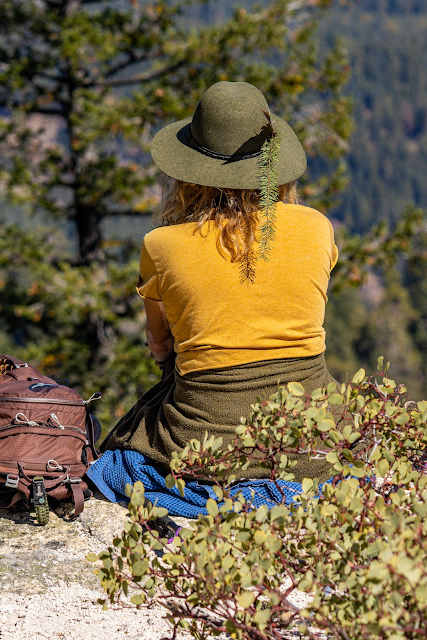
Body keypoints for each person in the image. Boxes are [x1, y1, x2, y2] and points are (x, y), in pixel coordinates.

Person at [99, 81, 339, 486]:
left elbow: (160, 345)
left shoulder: (161, 246)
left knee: (119, 457)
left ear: (189, 174)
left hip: (204, 440)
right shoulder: (317, 227)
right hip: (314, 434)